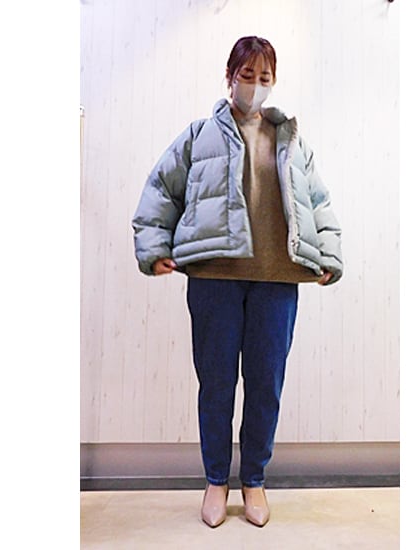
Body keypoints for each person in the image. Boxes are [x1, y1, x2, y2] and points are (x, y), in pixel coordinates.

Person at [131, 36, 343, 528]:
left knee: (266, 385)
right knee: (217, 384)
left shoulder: (290, 139)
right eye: (247, 76)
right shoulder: (200, 135)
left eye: (264, 78)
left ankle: (254, 481)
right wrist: (155, 249)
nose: (255, 86)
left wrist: (329, 256)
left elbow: (318, 202)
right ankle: (214, 481)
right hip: (215, 279)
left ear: (274, 81)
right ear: (229, 77)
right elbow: (161, 189)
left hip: (277, 280)